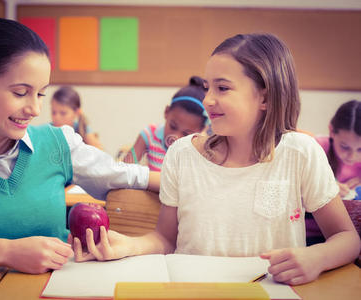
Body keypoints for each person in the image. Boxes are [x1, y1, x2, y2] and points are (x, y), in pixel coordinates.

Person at [71, 33, 360, 286]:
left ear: (265, 98)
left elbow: (348, 239)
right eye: (208, 87)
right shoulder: (182, 154)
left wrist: (317, 257)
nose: (207, 99)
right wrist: (129, 245)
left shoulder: (301, 152)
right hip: (193, 292)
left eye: (222, 88)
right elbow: (165, 239)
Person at [0, 17, 159, 274]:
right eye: (20, 93)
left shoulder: (58, 144)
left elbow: (127, 174)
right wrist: (6, 252)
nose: (35, 109)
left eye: (41, 94)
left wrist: (187, 179)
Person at [123, 76, 209, 171]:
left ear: (201, 130)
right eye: (173, 126)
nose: (175, 137)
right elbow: (124, 170)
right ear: (166, 112)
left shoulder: (200, 149)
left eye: (186, 134)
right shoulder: (150, 134)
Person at [316, 100, 361, 199]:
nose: (352, 156)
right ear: (331, 131)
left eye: (360, 149)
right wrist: (326, 187)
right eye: (344, 146)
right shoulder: (316, 148)